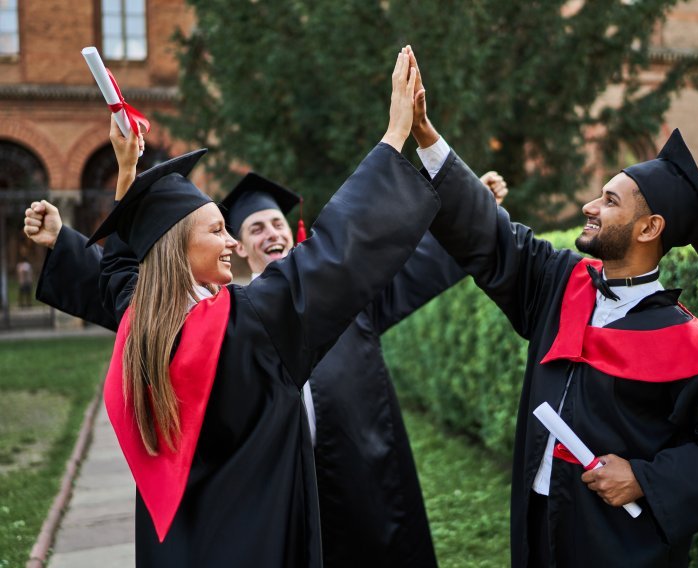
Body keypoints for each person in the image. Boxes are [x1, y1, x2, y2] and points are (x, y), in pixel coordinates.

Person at [49, 49, 457, 567]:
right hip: (261, 538)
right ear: (178, 250)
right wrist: (395, 135)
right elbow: (339, 248)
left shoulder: (141, 324)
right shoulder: (248, 324)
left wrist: (128, 169)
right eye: (219, 230)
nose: (230, 243)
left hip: (189, 544)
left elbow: (121, 270)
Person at [24, 170, 507, 568]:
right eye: (254, 228)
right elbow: (135, 293)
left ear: (294, 231)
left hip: (352, 470)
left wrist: (471, 211)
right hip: (272, 485)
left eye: (277, 223)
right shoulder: (215, 315)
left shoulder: (337, 297)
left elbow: (406, 261)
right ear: (237, 245)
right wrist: (65, 243)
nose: (270, 233)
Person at [405, 49, 698, 567]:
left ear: (649, 229)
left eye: (609, 200)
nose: (589, 206)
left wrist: (644, 478)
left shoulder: (687, 345)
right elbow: (488, 236)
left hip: (618, 546)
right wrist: (425, 134)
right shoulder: (561, 282)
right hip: (538, 527)